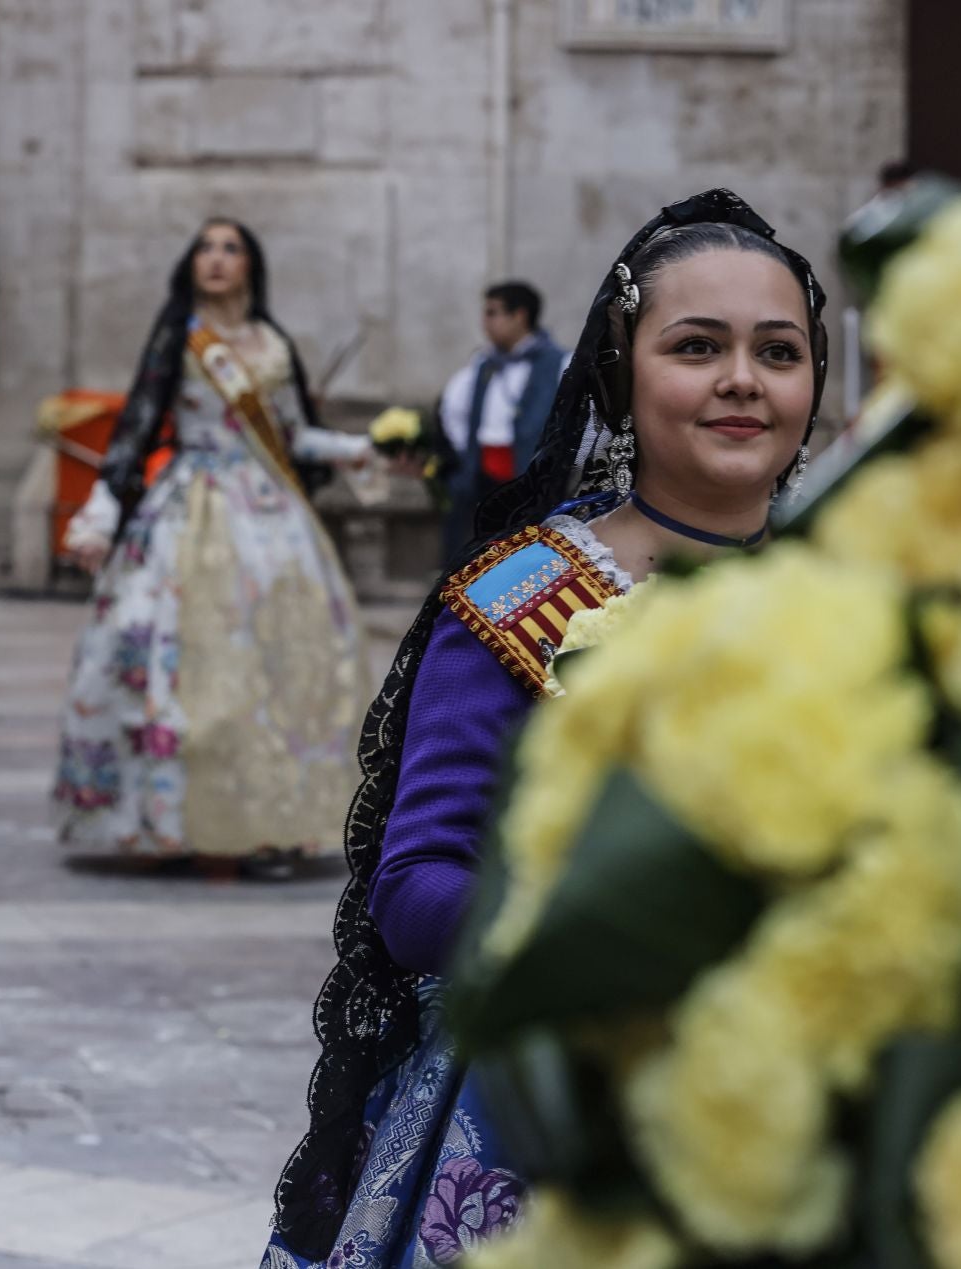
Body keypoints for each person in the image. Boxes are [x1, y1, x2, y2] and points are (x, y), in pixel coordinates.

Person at [262, 188, 829, 1267]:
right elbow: (417, 884)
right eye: (697, 347)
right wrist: (608, 928)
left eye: (779, 351)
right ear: (621, 374)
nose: (743, 382)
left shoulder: (873, 575)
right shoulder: (525, 593)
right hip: (562, 1109)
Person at [51, 217, 381, 868]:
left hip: (272, 524)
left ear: (251, 264)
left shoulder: (272, 344)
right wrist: (98, 515)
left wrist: (364, 449)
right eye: (205, 247)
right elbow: (137, 427)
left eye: (231, 248)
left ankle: (266, 824)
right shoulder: (181, 338)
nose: (217, 259)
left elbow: (294, 438)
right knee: (170, 666)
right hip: (188, 509)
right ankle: (168, 821)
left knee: (274, 673)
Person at [435, 282, 568, 560]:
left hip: (530, 482)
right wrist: (468, 450)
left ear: (519, 316)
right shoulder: (483, 364)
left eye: (492, 313)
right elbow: (452, 410)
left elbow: (572, 419)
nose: (485, 323)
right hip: (483, 480)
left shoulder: (559, 363)